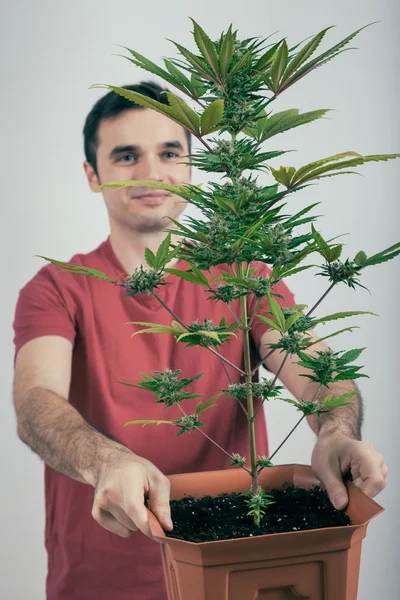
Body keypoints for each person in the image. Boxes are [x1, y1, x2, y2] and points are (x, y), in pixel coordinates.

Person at [12, 81, 388, 600]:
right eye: (126, 156)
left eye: (169, 152)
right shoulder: (57, 287)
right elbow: (36, 403)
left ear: (192, 166)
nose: (151, 171)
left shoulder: (244, 275)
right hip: (102, 578)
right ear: (92, 175)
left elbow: (316, 371)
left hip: (245, 569)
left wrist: (336, 431)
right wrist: (107, 461)